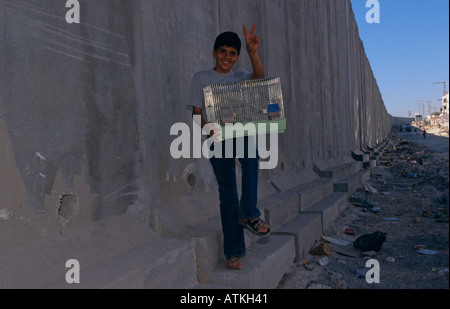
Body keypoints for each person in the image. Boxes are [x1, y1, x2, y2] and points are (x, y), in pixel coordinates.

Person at [187, 24, 269, 270]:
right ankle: (234, 252)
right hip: (216, 138)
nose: (227, 57)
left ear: (237, 57)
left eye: (232, 53)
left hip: (239, 132)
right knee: (228, 193)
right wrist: (212, 131)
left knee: (251, 159)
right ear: (214, 52)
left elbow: (260, 78)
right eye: (222, 51)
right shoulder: (201, 78)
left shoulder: (239, 77)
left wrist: (253, 51)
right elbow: (196, 114)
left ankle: (250, 213)